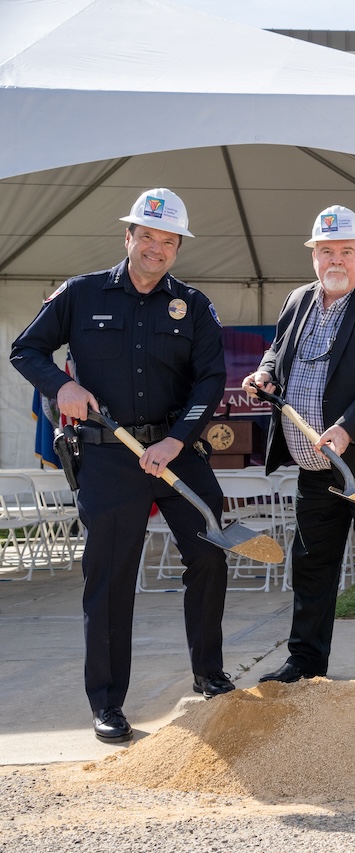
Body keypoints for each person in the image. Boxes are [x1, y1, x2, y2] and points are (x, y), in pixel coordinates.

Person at [10, 188, 233, 743]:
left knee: (210, 553)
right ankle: (107, 702)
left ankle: (209, 672)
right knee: (109, 579)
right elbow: (25, 350)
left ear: (177, 247)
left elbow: (210, 380)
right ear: (128, 236)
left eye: (168, 240)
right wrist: (60, 385)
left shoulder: (194, 305)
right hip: (109, 458)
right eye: (148, 236)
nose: (156, 249)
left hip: (177, 454)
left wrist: (177, 440)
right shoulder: (81, 294)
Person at [245, 205, 355, 684]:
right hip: (314, 466)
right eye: (327, 251)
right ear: (314, 256)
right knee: (311, 565)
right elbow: (277, 349)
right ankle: (305, 662)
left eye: (347, 251)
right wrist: (265, 372)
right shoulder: (297, 300)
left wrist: (346, 428)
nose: (337, 260)